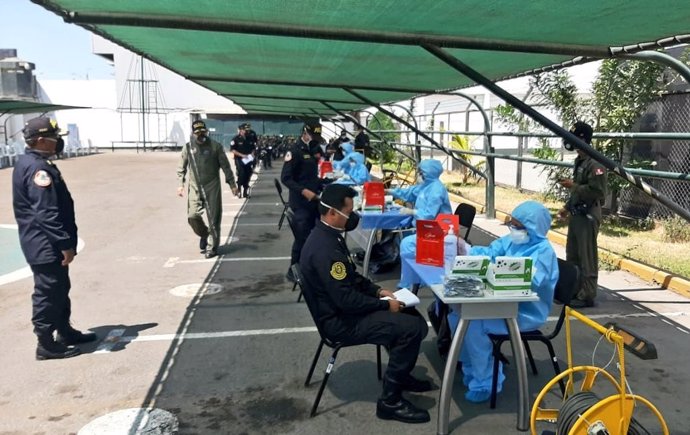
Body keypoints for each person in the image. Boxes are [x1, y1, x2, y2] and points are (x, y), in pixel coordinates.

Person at [300, 184, 431, 424]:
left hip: (342, 311)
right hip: (340, 322)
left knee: (412, 316)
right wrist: (383, 305)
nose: (353, 217)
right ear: (332, 213)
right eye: (349, 212)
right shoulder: (325, 248)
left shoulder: (327, 235)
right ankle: (390, 402)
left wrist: (378, 290)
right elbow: (346, 300)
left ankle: (400, 374)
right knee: (411, 328)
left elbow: (351, 277)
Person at [448, 201, 559, 403]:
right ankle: (472, 367)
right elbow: (491, 252)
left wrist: (499, 273)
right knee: (456, 315)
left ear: (532, 228)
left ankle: (488, 380)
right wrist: (465, 249)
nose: (513, 229)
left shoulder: (544, 252)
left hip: (524, 312)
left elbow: (532, 282)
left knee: (473, 324)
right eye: (512, 224)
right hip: (498, 302)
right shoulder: (512, 240)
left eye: (518, 225)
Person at [12, 117, 97, 360]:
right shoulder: (38, 169)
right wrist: (64, 243)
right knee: (47, 292)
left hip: (46, 243)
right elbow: (45, 212)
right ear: (40, 140)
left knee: (60, 288)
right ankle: (46, 343)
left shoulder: (36, 162)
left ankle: (65, 331)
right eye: (53, 138)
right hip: (45, 244)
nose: (58, 142)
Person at [557, 121, 607, 308]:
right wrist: (567, 207)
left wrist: (573, 186)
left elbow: (599, 192)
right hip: (577, 213)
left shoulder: (596, 164)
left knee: (587, 255)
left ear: (582, 139)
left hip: (588, 215)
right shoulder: (580, 161)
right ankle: (575, 288)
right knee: (573, 253)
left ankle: (588, 293)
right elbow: (578, 190)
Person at [177, 120, 238, 258]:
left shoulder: (215, 147)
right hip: (195, 187)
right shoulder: (188, 148)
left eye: (202, 132)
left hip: (212, 186)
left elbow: (226, 167)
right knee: (193, 216)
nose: (200, 135)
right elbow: (181, 167)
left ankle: (212, 248)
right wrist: (180, 184)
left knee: (214, 218)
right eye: (197, 132)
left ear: (206, 131)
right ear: (193, 133)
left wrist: (232, 184)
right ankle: (204, 234)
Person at [388, 159, 452, 289]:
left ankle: (415, 279)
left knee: (407, 245)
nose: (418, 175)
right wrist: (390, 191)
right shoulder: (425, 186)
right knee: (403, 240)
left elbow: (429, 214)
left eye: (420, 172)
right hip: (425, 228)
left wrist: (412, 211)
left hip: (438, 231)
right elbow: (410, 192)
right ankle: (413, 277)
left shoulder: (436, 190)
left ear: (428, 173)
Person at [281, 122, 325, 282]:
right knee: (301, 238)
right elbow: (286, 178)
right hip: (300, 203)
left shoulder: (311, 150)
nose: (316, 140)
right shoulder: (294, 151)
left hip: (313, 201)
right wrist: (304, 191)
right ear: (305, 133)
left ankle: (310, 268)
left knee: (313, 237)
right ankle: (293, 269)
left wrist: (322, 183)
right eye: (313, 136)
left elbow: (309, 176)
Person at [230, 123, 256, 198]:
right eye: (245, 130)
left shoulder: (250, 137)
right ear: (241, 130)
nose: (246, 131)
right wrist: (242, 155)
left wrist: (252, 154)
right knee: (242, 174)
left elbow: (253, 147)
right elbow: (233, 150)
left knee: (248, 174)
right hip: (239, 159)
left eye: (247, 130)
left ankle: (245, 192)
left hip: (248, 159)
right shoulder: (235, 139)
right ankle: (239, 190)